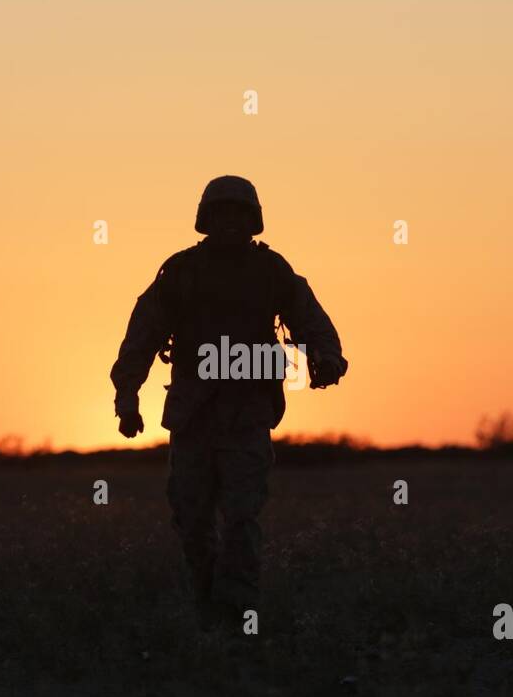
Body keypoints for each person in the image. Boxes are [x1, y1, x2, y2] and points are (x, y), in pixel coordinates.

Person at [110, 175, 347, 623]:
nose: (230, 223)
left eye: (239, 214)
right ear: (206, 220)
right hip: (193, 418)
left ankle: (238, 615)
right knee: (192, 520)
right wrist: (127, 394)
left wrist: (327, 356)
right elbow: (142, 336)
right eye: (221, 214)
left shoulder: (272, 271)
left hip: (248, 416)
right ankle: (205, 606)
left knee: (241, 517)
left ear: (253, 220)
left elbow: (311, 319)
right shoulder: (179, 272)